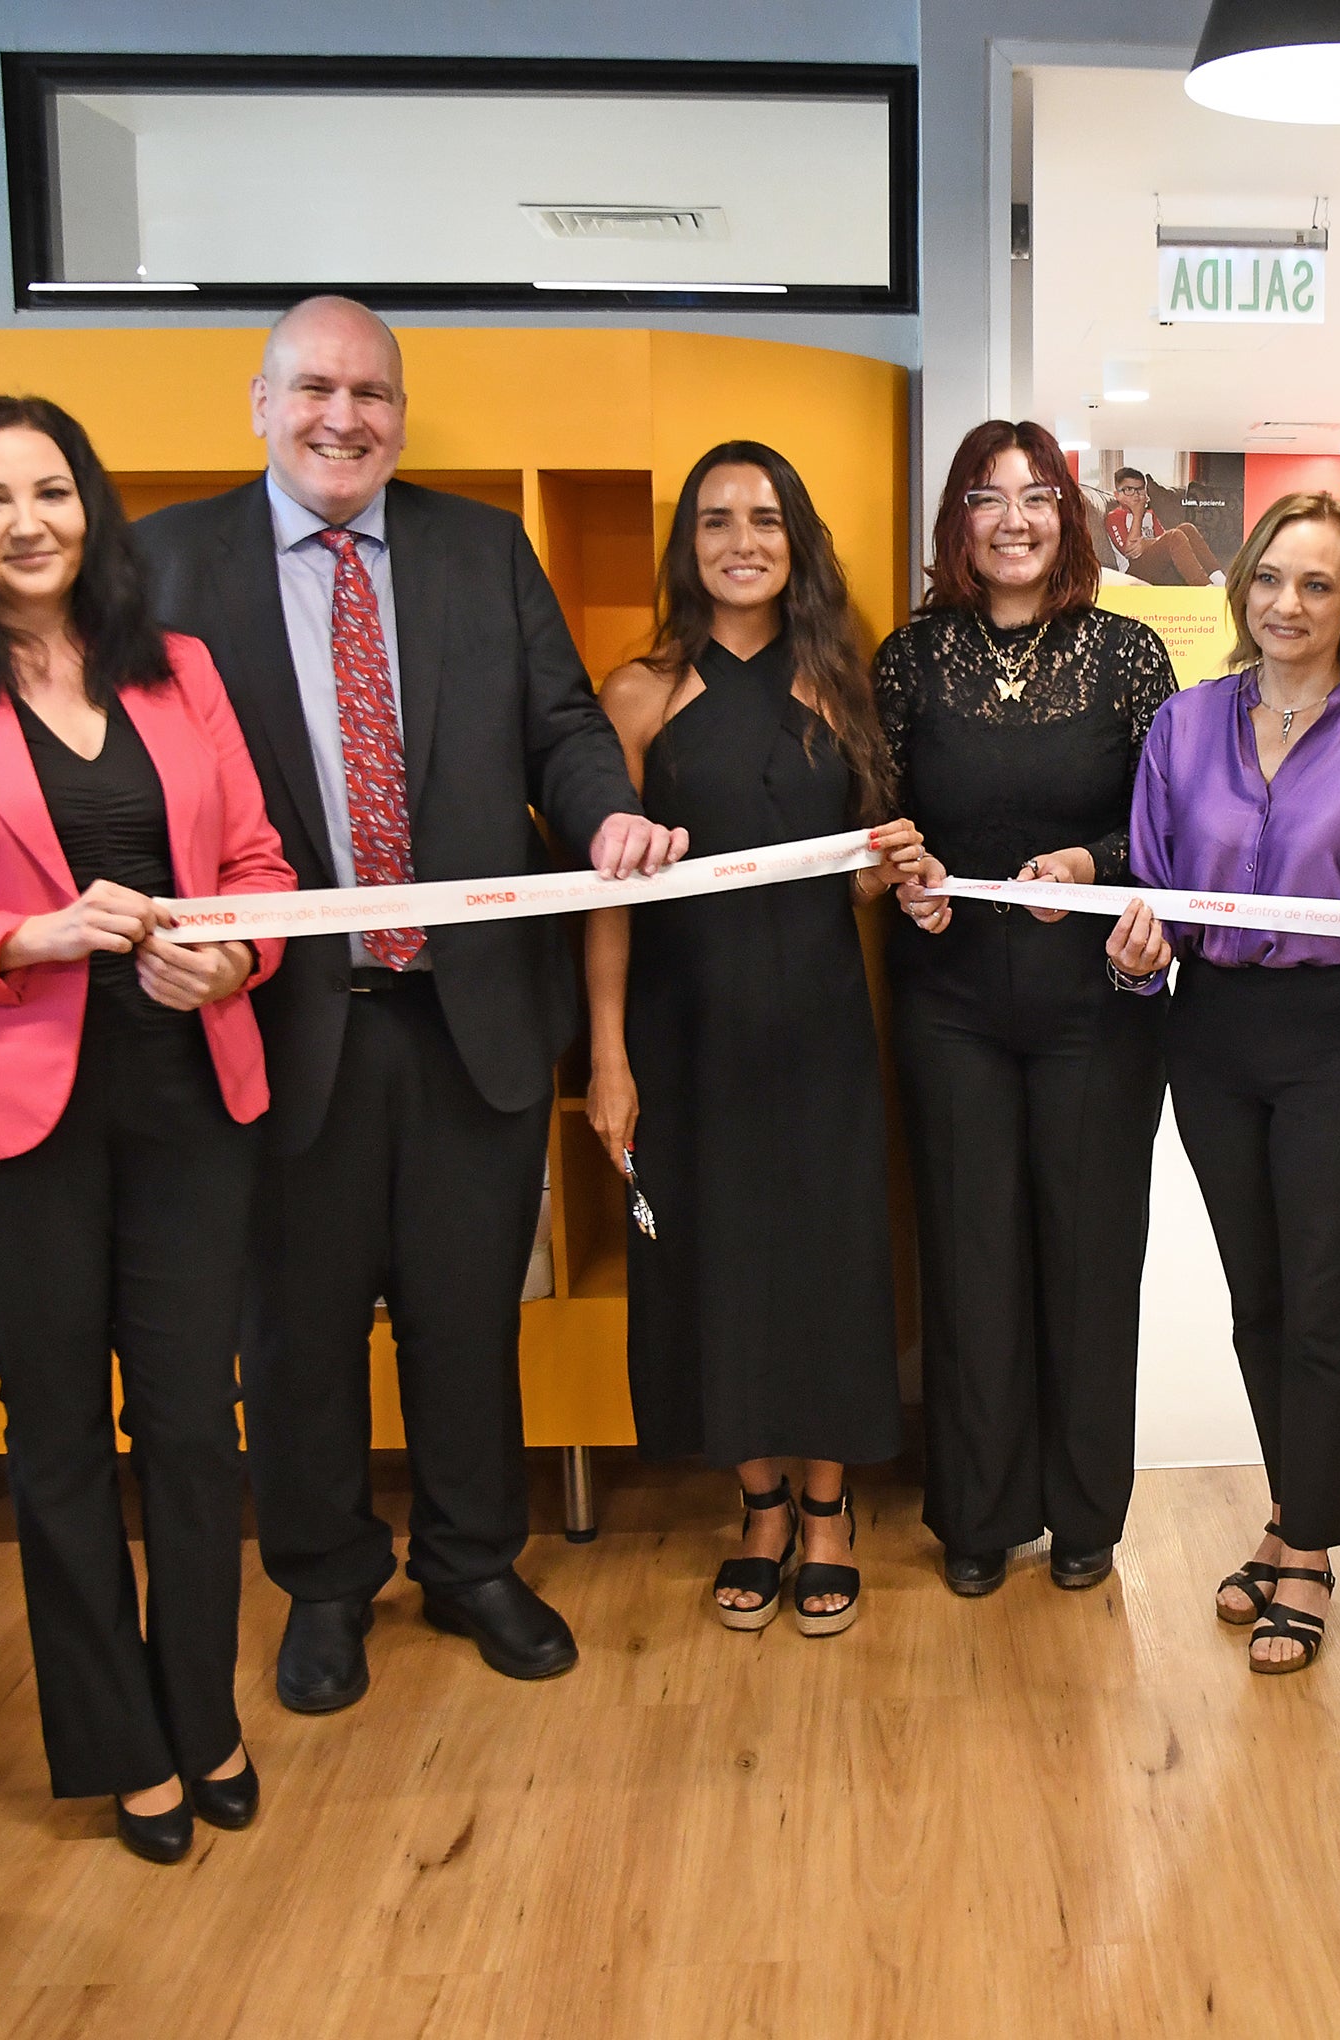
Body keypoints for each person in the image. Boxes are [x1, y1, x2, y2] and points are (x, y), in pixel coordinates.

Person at [136, 298, 677, 1714]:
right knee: (298, 1330)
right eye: (314, 387)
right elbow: (131, 781)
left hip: (467, 1018)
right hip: (276, 1024)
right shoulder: (168, 564)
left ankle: (471, 1562)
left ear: (400, 414)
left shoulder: (479, 549)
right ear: (258, 402)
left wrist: (607, 814)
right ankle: (323, 1584)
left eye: (372, 393)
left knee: (462, 1319)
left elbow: (562, 725)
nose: (345, 417)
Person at [0, 396, 295, 1863]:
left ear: (92, 510)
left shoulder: (177, 668)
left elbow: (260, 867)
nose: (28, 522)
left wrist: (240, 956)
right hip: (4, 1123)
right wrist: (23, 936)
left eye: (54, 492)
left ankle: (199, 1714)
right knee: (64, 1437)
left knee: (197, 1428)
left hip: (190, 1096)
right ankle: (118, 1743)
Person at [1108, 491, 1340, 1675]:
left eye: (1317, 583)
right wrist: (1138, 952)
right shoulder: (1183, 725)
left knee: (1317, 1302)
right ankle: (1287, 1507)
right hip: (1211, 1035)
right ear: (1240, 587)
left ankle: (1307, 1549)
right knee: (1256, 1298)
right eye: (1270, 580)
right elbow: (1153, 885)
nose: (1287, 604)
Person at [586, 442, 920, 1636]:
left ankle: (830, 1509)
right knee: (716, 1265)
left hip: (820, 1025)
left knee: (828, 1259)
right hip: (688, 1035)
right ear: (689, 545)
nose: (742, 540)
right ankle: (762, 1504)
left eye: (767, 518)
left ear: (798, 541)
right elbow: (608, 897)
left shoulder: (846, 685)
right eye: (718, 519)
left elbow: (869, 868)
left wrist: (886, 872)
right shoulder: (635, 696)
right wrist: (610, 1058)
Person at [876, 423, 1176, 1596]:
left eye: (1037, 495)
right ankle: (977, 1513)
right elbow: (879, 812)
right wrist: (904, 871)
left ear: (1069, 515)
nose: (1014, 517)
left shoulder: (1128, 654)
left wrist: (1093, 867)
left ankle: (1085, 1511)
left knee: (1092, 1257)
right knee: (970, 1257)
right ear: (958, 519)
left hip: (1094, 1006)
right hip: (948, 1000)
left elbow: (1168, 831)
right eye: (988, 498)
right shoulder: (909, 659)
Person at [1105, 468, 1227, 587]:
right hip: (1134, 572)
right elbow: (1131, 552)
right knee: (1175, 535)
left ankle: (1222, 583)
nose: (1136, 495)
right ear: (1117, 495)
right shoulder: (1114, 517)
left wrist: (1147, 543)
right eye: (1129, 490)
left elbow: (1163, 540)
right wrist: (1138, 513)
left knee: (1186, 528)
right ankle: (1205, 590)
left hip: (1158, 569)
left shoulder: (1149, 514)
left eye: (1140, 489)